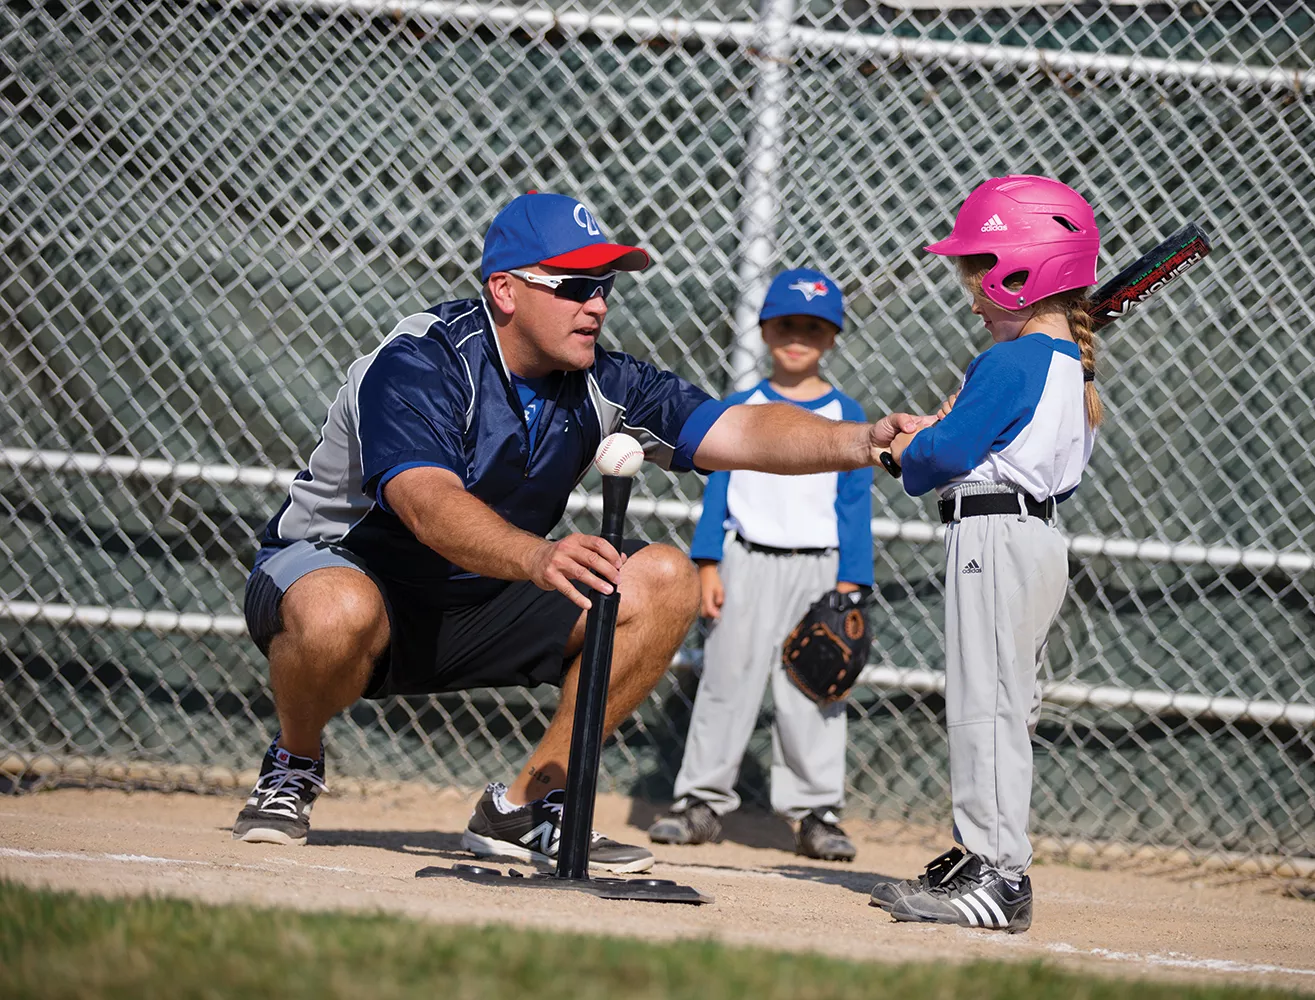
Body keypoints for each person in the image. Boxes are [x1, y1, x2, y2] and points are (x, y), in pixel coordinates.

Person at [232, 192, 926, 873]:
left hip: (483, 595)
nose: (596, 303)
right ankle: (296, 757)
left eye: (604, 285)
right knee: (336, 611)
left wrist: (864, 439)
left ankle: (526, 807)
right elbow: (426, 503)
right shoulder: (422, 362)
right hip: (352, 574)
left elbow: (735, 428)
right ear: (504, 291)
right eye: (574, 284)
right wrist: (537, 555)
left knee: (662, 579)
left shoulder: (602, 377)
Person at [869, 175, 1104, 929]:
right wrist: (936, 434)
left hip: (993, 538)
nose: (973, 296)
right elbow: (972, 444)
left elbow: (936, 463)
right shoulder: (1068, 364)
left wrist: (910, 447)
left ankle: (998, 875)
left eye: (981, 275)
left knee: (984, 707)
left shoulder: (1008, 363)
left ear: (1022, 270)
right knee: (1007, 705)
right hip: (1034, 541)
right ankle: (987, 856)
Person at [646, 269, 873, 862]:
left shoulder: (847, 414)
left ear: (832, 337)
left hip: (818, 569)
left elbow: (854, 504)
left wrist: (851, 581)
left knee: (814, 689)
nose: (798, 336)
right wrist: (708, 563)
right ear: (766, 329)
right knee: (725, 682)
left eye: (814, 327)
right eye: (787, 324)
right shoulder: (740, 407)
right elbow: (717, 490)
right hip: (745, 560)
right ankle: (700, 801)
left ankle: (814, 811)